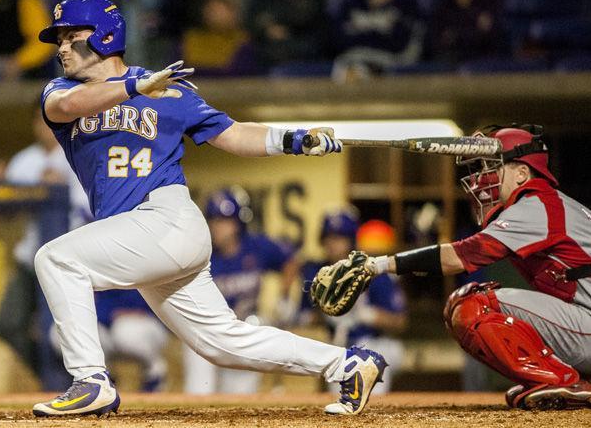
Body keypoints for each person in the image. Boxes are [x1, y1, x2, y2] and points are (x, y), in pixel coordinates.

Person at [32, 0, 384, 417]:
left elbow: (233, 135)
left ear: (105, 37)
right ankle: (347, 363)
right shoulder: (63, 89)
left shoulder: (168, 91)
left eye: (72, 37)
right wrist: (134, 87)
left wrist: (292, 140)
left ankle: (90, 379)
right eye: (60, 40)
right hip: (136, 234)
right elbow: (66, 107)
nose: (63, 48)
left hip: (165, 218)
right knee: (221, 342)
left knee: (55, 258)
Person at [323, 124, 591, 409]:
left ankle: (560, 380)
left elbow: (458, 257)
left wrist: (378, 265)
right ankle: (554, 380)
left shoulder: (538, 205)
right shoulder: (551, 204)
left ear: (522, 174)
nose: (482, 177)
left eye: (493, 167)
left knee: (474, 305)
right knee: (469, 303)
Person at [0, 107, 91, 376]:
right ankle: (53, 376)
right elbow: (6, 215)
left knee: (57, 331)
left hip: (70, 259)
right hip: (30, 257)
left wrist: (61, 188)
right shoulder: (24, 161)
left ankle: (82, 377)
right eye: (41, 120)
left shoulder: (81, 152)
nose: (45, 126)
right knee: (7, 323)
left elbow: (93, 210)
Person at [183, 187, 297, 394]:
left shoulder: (256, 246)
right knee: (199, 386)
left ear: (239, 223)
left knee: (238, 398)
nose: (218, 227)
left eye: (225, 221)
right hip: (209, 331)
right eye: (214, 221)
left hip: (244, 328)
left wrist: (284, 297)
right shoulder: (200, 251)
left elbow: (290, 261)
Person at [301, 211, 407, 394]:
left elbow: (400, 321)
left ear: (351, 240)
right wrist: (323, 313)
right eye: (328, 237)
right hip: (337, 345)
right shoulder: (316, 273)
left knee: (367, 391)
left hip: (374, 343)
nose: (332, 244)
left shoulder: (371, 270)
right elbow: (304, 319)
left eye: (339, 238)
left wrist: (367, 315)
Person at [423, 0, 507, 66]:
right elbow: (439, 39)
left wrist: (458, 34)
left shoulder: (489, 2)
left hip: (485, 60)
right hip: (452, 60)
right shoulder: (442, 6)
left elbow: (496, 34)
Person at [178, 0, 258, 77]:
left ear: (234, 13)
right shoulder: (191, 39)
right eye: (211, 9)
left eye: (220, 10)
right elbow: (177, 71)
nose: (214, 14)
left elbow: (237, 74)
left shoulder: (243, 41)